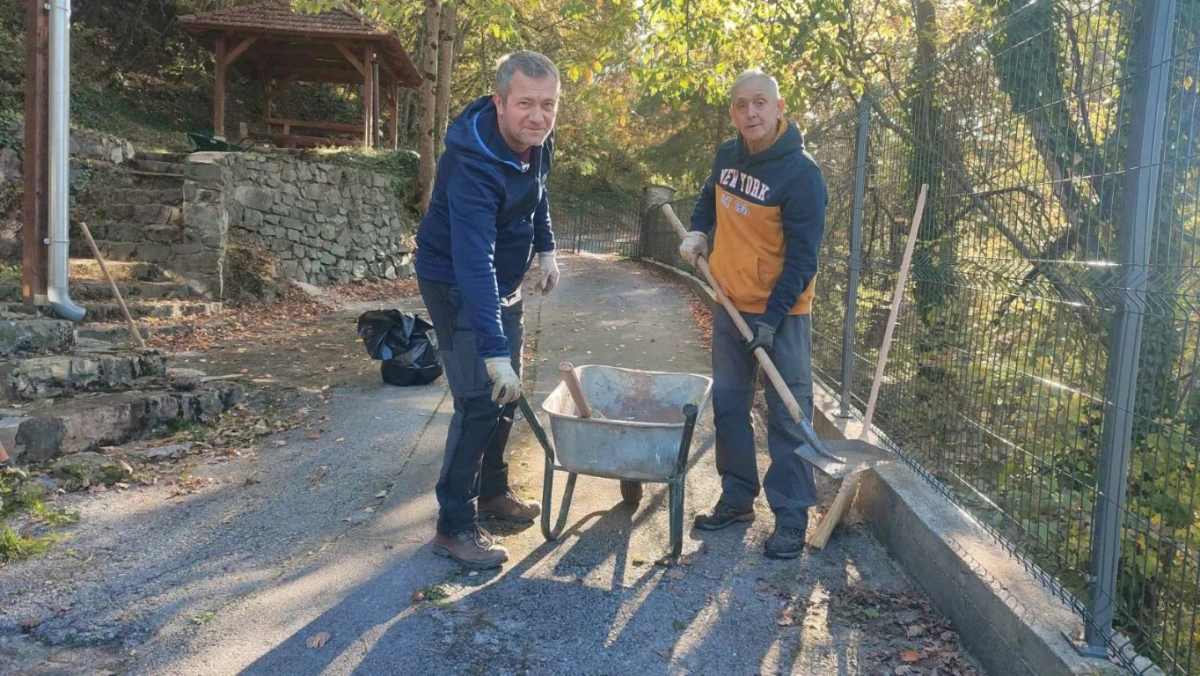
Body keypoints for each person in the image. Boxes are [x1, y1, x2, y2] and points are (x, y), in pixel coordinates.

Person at [415, 51, 562, 569]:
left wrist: (546, 248)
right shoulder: (472, 163)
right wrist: (493, 349)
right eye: (525, 104)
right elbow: (471, 261)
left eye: (548, 105)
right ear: (499, 103)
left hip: (501, 278)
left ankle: (494, 492)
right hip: (454, 279)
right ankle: (453, 525)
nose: (538, 117)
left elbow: (538, 192)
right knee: (480, 399)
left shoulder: (536, 140)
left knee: (508, 390)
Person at [678, 69, 828, 559]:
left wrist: (771, 319)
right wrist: (699, 232)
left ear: (779, 107)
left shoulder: (802, 175)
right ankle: (738, 498)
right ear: (733, 112)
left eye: (760, 103)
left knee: (787, 412)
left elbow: (804, 259)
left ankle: (790, 517)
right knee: (729, 405)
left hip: (783, 312)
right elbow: (708, 199)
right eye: (741, 105)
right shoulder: (727, 155)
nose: (751, 113)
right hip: (729, 301)